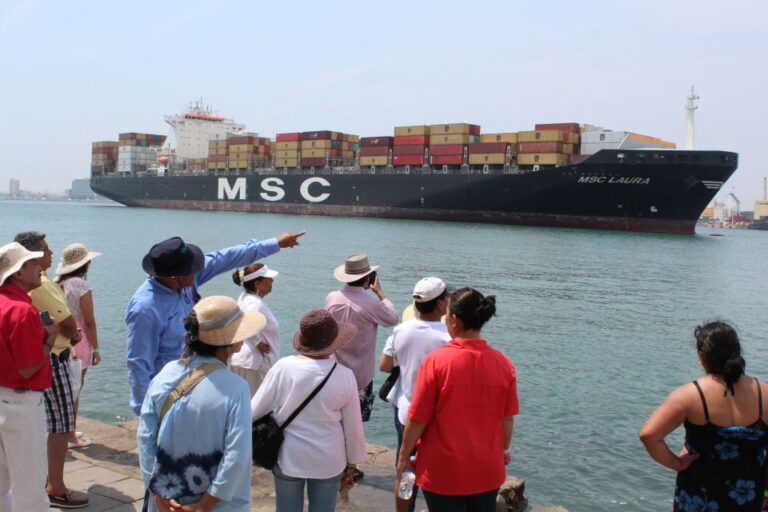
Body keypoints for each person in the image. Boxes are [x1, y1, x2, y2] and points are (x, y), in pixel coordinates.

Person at [126, 231, 304, 416]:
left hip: (195, 384)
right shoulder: (146, 308)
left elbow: (226, 257)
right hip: (167, 393)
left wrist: (274, 243)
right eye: (193, 270)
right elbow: (139, 363)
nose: (197, 272)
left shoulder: (187, 280)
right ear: (175, 276)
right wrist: (146, 412)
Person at [138, 295, 264, 512]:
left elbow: (145, 436)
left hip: (166, 500)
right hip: (219, 505)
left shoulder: (165, 374)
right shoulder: (236, 388)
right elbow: (237, 456)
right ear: (234, 342)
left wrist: (157, 493)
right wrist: (205, 505)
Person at [397, 288, 519, 512]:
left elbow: (418, 419)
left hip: (443, 471)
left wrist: (404, 457)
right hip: (487, 470)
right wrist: (502, 450)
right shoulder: (503, 364)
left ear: (454, 319)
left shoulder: (438, 362)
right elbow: (507, 419)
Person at [639, 321, 768, 512]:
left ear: (702, 356)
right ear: (737, 351)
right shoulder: (764, 393)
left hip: (698, 496)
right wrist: (766, 492)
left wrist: (678, 463)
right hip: (748, 495)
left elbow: (649, 435)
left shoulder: (689, 395)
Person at [251, 309, 367, 512]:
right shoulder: (345, 375)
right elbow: (353, 429)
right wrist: (352, 464)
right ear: (333, 342)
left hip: (289, 455)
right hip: (329, 458)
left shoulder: (283, 367)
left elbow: (254, 411)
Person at [14, 231, 89, 509]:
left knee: (45, 424)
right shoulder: (43, 286)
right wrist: (74, 337)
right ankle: (55, 487)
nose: (51, 254)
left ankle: (45, 481)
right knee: (60, 426)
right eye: (46, 250)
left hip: (45, 358)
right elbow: (68, 324)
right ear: (31, 257)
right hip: (54, 357)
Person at [379, 277, 451, 512]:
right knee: (438, 471)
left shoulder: (400, 330)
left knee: (405, 468)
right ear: (441, 304)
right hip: (438, 417)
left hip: (406, 412)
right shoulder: (448, 337)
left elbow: (385, 365)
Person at [0, 242, 56, 512]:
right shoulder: (22, 310)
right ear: (19, 272)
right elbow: (28, 368)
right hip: (21, 404)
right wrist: (49, 341)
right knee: (31, 487)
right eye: (33, 263)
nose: (40, 267)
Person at [325, 253, 398, 422]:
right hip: (360, 375)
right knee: (355, 421)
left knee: (334, 418)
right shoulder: (371, 304)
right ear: (369, 277)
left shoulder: (332, 297)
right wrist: (380, 293)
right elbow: (393, 318)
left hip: (333, 369)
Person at [55, 243, 102, 448]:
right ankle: (70, 436)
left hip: (61, 336)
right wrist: (97, 348)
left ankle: (65, 430)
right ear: (85, 265)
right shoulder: (82, 286)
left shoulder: (58, 283)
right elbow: (89, 320)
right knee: (75, 388)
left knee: (65, 387)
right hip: (79, 336)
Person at [231, 262, 280, 397]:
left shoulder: (244, 297)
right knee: (256, 407)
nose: (272, 281)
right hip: (254, 363)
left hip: (244, 360)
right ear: (257, 284)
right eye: (268, 279)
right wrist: (257, 342)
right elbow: (246, 322)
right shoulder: (255, 304)